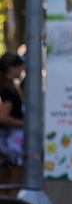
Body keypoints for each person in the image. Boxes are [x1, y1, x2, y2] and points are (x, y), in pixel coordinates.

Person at [0, 53, 25, 188]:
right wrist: (24, 124)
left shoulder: (5, 88)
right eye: (20, 67)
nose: (22, 70)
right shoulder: (9, 91)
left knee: (4, 183)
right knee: (15, 182)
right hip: (12, 142)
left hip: (4, 141)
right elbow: (4, 117)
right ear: (11, 68)